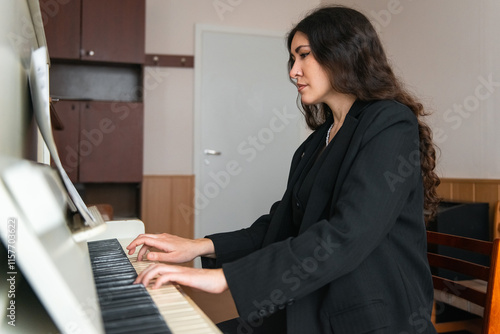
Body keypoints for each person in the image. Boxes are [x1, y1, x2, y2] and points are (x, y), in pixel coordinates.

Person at [127, 5, 440, 334]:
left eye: (304, 55)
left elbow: (349, 233)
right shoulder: (320, 139)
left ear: (343, 53)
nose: (293, 71)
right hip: (312, 303)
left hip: (367, 318)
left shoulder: (389, 122)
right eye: (293, 59)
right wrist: (200, 245)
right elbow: (284, 222)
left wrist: (224, 278)